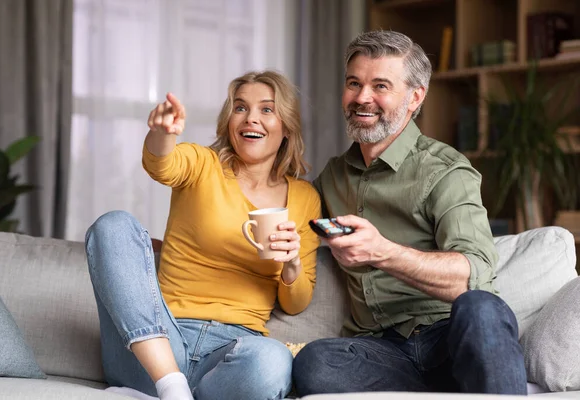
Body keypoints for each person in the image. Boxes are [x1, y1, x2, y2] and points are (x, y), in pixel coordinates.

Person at [292, 30, 527, 395]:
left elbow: (474, 275)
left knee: (482, 309)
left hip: (446, 338)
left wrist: (382, 252)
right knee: (315, 361)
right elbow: (285, 213)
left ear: (415, 97)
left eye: (380, 86)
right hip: (382, 351)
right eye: (354, 83)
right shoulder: (333, 176)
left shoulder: (445, 171)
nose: (362, 98)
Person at [85, 70, 321, 400]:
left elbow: (296, 303)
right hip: (156, 344)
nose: (250, 118)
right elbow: (161, 164)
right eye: (240, 108)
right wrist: (162, 133)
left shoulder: (304, 198)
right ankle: (171, 385)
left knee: (273, 359)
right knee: (112, 226)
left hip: (228, 358)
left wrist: (292, 262)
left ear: (286, 127)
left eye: (267, 109)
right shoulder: (203, 164)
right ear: (228, 120)